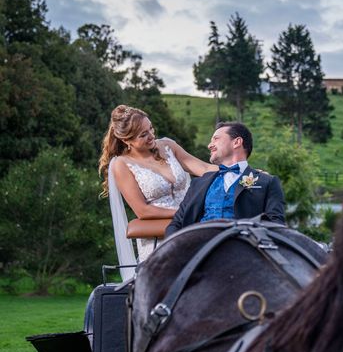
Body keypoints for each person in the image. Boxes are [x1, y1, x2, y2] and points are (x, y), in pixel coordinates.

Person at [98, 105, 217, 272]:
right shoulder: (121, 165)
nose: (151, 136)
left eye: (151, 128)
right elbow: (143, 211)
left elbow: (203, 168)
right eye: (143, 134)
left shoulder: (168, 145)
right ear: (126, 140)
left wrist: (241, 171)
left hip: (192, 227)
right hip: (159, 238)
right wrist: (187, 211)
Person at [165, 121, 285, 236]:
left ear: (236, 142)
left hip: (243, 250)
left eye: (216, 139)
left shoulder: (267, 182)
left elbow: (275, 226)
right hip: (200, 249)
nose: (209, 145)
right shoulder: (198, 183)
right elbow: (176, 223)